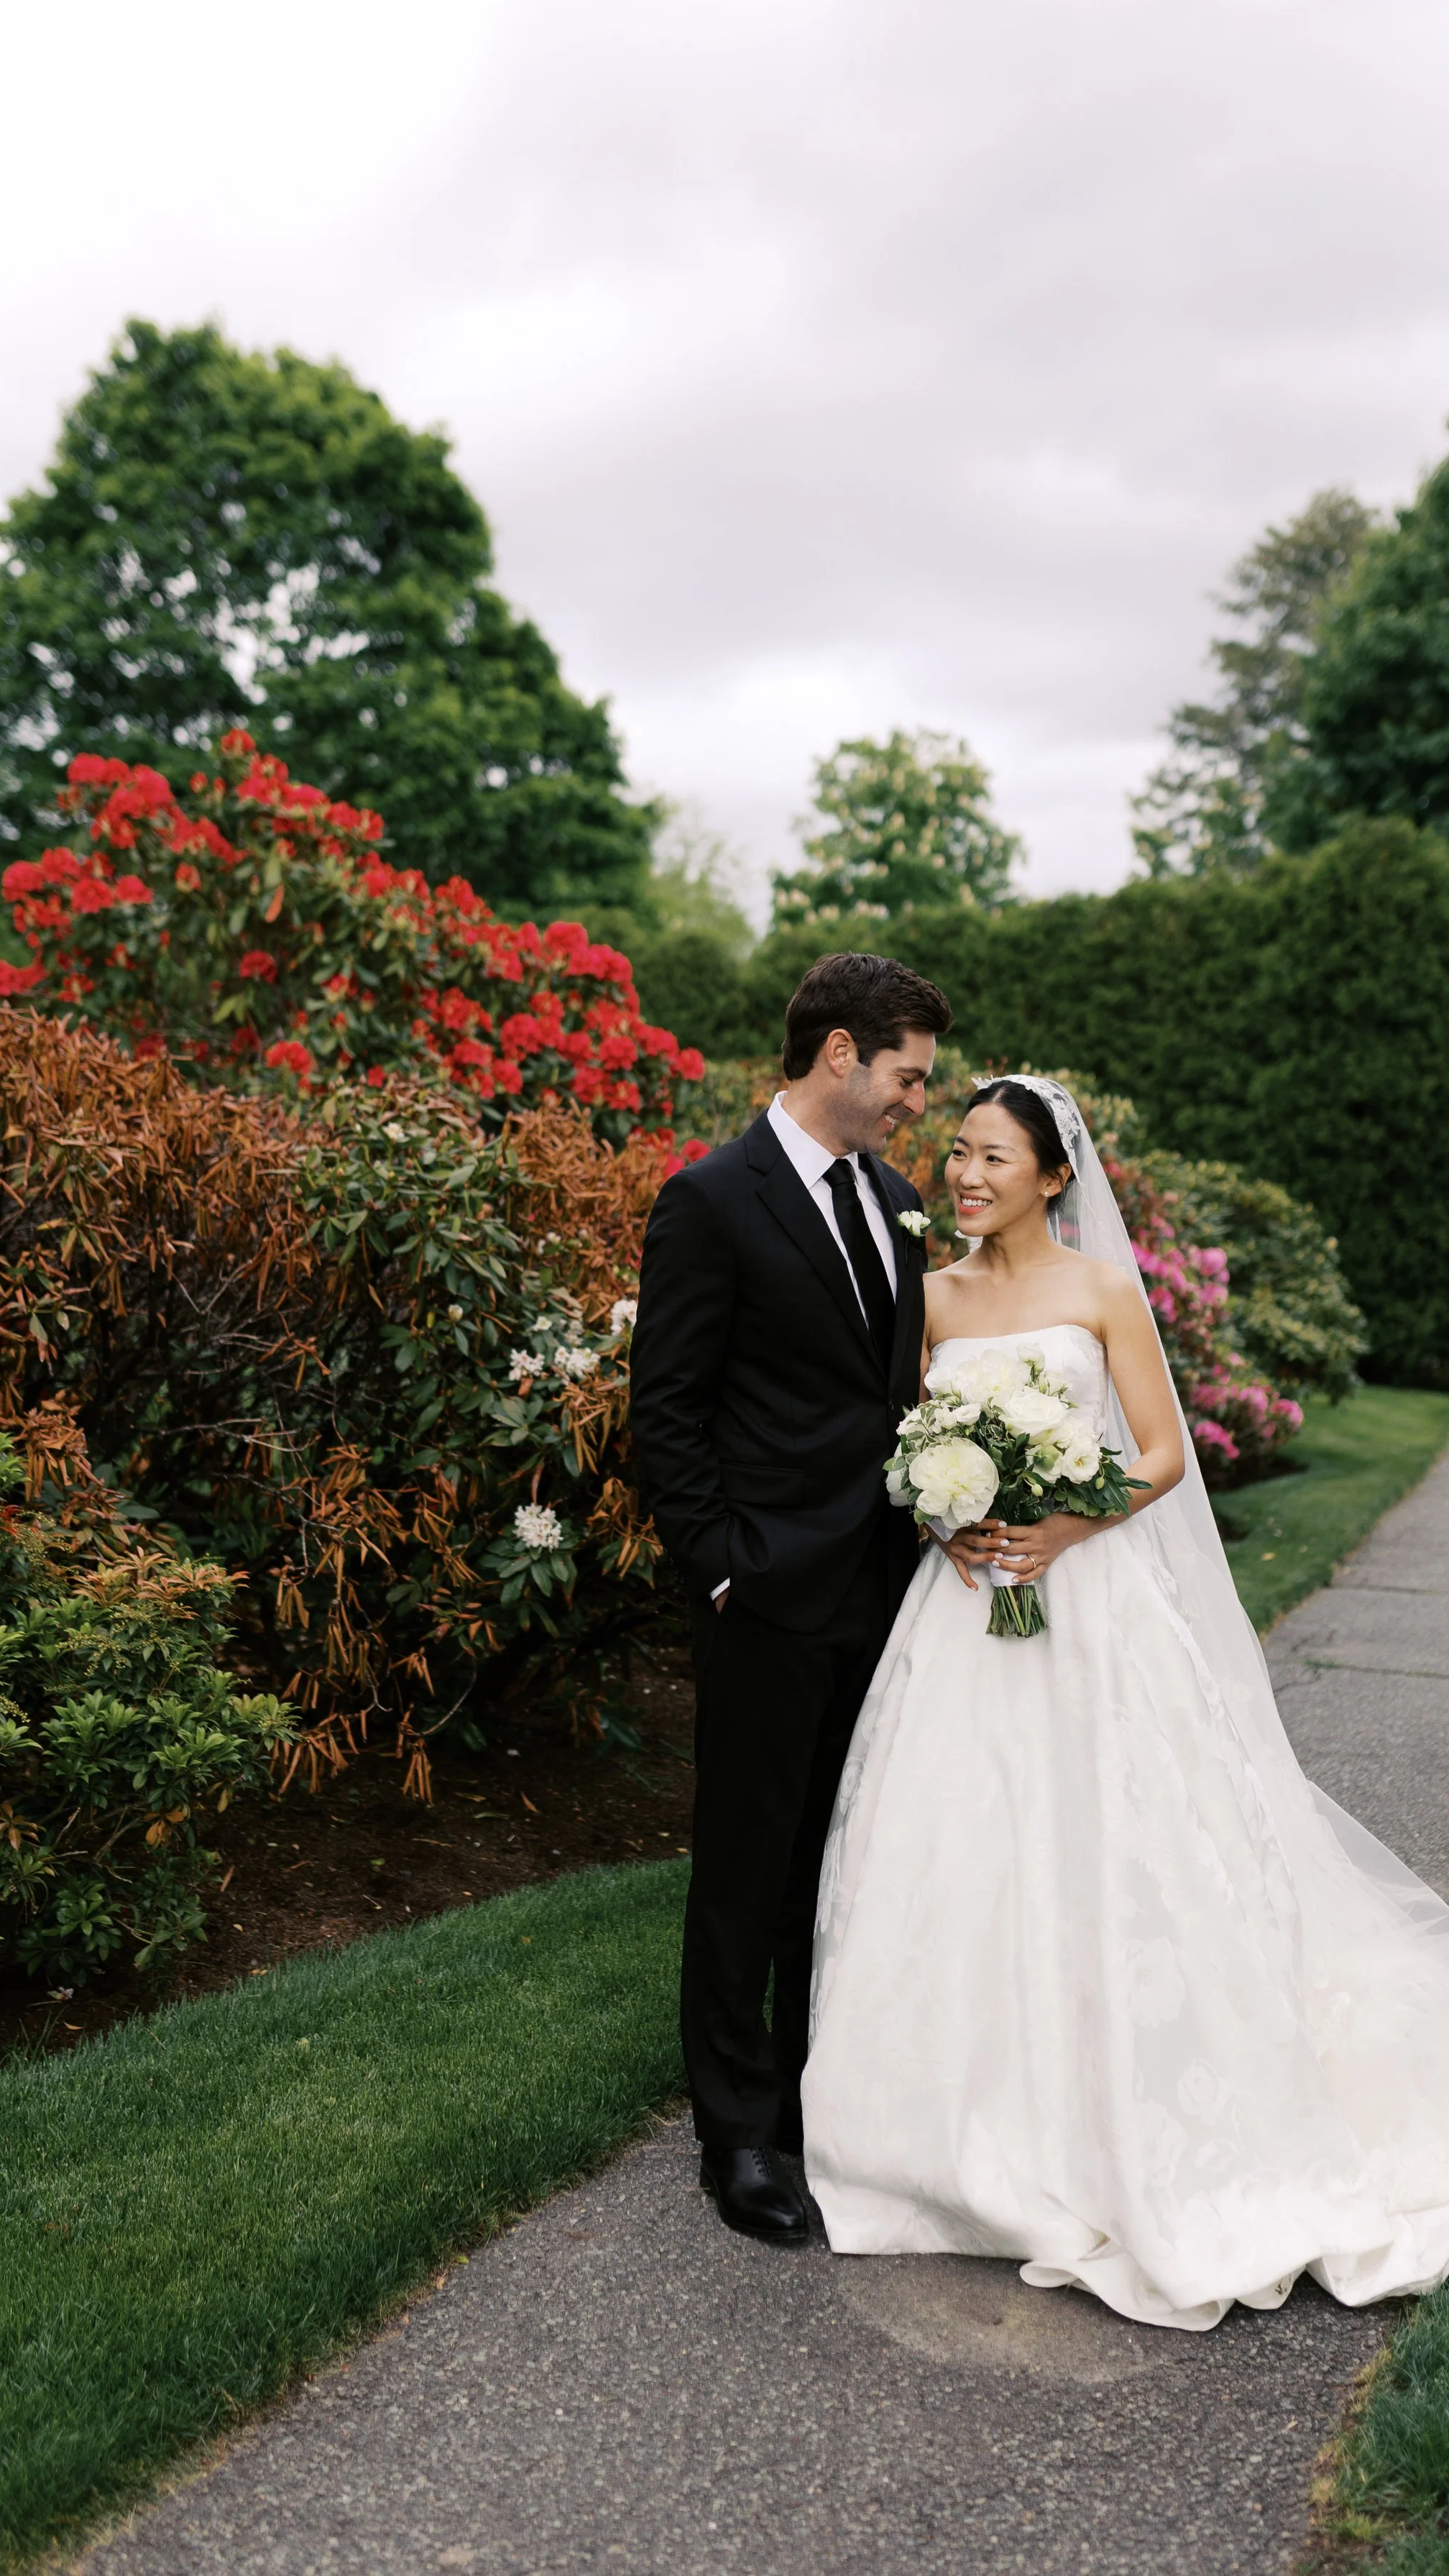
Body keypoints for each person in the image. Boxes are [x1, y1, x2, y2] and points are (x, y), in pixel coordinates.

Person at [801, 1075, 1449, 2329]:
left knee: (1116, 1849)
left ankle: (1138, 2123)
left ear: (1055, 1175)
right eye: (957, 1155)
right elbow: (907, 1446)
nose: (967, 1176)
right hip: (964, 1606)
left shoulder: (1102, 1292)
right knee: (955, 1848)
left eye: (994, 1156)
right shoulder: (927, 1298)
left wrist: (1056, 1523)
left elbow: (1160, 1455)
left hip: (1088, 1603)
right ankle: (942, 2136)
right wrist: (951, 1519)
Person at [630, 950, 952, 2242]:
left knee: (844, 1860)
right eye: (907, 1074)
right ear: (838, 1055)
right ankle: (740, 2135)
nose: (916, 1100)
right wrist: (720, 1565)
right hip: (764, 1591)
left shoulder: (899, 1199)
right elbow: (668, 1409)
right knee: (748, 1869)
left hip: (885, 1589)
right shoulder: (711, 1199)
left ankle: (824, 2101)